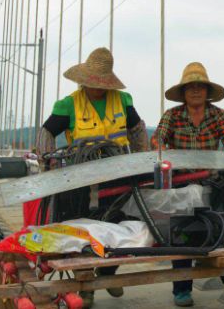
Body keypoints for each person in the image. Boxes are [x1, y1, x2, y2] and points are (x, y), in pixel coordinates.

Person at [35, 47, 148, 308]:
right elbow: (46, 132)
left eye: (101, 83)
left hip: (117, 175)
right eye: (92, 83)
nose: (96, 88)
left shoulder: (123, 101)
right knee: (80, 229)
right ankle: (85, 287)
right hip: (80, 177)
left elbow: (138, 131)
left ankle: (108, 273)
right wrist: (48, 161)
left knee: (121, 225)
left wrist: (141, 161)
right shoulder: (69, 104)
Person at [152, 62, 224, 307]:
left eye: (200, 87)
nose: (196, 91)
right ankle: (182, 289)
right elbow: (157, 138)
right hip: (181, 184)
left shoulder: (218, 115)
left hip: (211, 182)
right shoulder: (172, 115)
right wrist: (163, 149)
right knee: (182, 236)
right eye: (191, 87)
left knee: (221, 227)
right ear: (183, 92)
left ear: (207, 91)